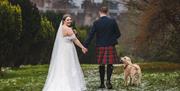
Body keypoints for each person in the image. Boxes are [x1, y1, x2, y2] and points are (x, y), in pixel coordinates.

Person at [42, 14, 87, 91]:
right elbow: (75, 40)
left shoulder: (61, 28)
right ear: (63, 21)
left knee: (62, 66)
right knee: (69, 66)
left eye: (70, 19)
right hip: (68, 50)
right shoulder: (69, 29)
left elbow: (66, 37)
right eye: (67, 20)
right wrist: (82, 47)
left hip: (62, 50)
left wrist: (73, 33)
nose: (69, 21)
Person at [84, 6, 121, 89]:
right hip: (110, 45)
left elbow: (91, 35)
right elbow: (118, 34)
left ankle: (101, 83)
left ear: (99, 12)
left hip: (100, 46)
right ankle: (108, 81)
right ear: (107, 12)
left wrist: (85, 45)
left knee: (101, 65)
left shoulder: (96, 23)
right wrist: (111, 39)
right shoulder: (112, 21)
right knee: (110, 64)